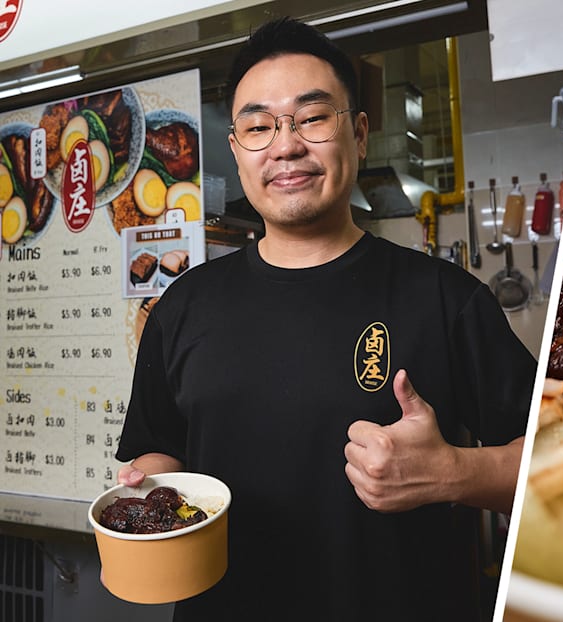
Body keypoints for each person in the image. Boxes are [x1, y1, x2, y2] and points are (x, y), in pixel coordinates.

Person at [114, 16, 536, 622]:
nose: (285, 146)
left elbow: (552, 459)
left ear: (359, 134)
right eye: (258, 127)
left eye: (312, 118)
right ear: (236, 151)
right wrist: (146, 493)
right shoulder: (183, 305)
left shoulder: (446, 298)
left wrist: (456, 472)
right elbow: (158, 453)